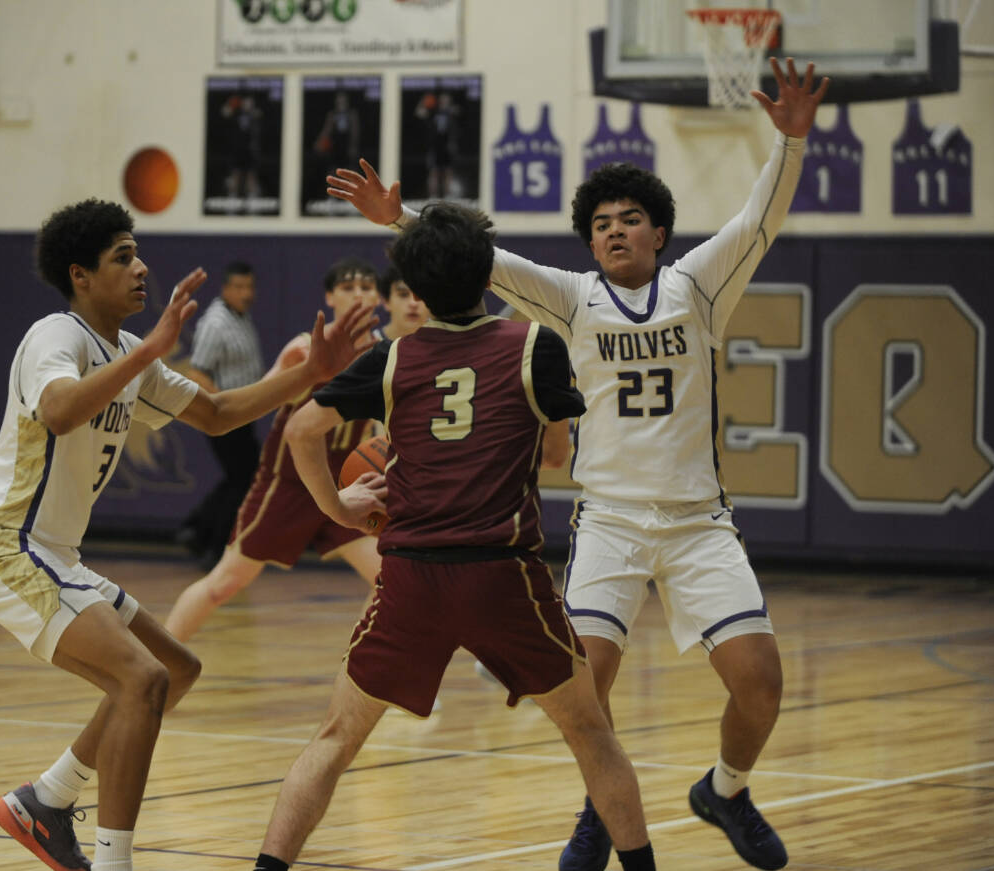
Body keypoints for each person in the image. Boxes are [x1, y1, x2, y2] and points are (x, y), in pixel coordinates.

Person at [325, 57, 829, 871]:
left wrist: (792, 144)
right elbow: (473, 261)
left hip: (700, 524)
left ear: (659, 232)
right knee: (587, 687)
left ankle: (726, 790)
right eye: (601, 222)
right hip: (611, 522)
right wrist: (399, 217)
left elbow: (758, 222)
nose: (615, 229)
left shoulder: (698, 287)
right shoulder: (568, 297)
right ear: (588, 239)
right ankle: (601, 812)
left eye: (631, 218)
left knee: (761, 681)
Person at [0, 198, 373, 871]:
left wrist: (307, 375)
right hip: (8, 548)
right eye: (123, 256)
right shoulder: (53, 337)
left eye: (137, 251)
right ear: (81, 275)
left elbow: (213, 412)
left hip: (58, 555)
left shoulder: (126, 353)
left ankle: (48, 799)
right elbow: (60, 411)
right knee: (142, 679)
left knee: (177, 670)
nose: (142, 265)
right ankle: (113, 861)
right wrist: (150, 349)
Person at [250, 202, 656, 871]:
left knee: (336, 736)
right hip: (503, 573)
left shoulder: (392, 357)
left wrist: (344, 509)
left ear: (414, 287)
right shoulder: (535, 345)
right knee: (590, 730)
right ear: (487, 274)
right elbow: (555, 455)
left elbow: (300, 431)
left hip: (410, 574)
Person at [163, 257, 387, 644]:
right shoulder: (304, 349)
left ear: (379, 298)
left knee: (390, 580)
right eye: (348, 288)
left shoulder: (385, 352)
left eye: (366, 287)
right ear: (330, 297)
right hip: (286, 486)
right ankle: (160, 661)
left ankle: (365, 672)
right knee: (224, 584)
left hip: (343, 487)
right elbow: (257, 399)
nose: (359, 295)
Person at [176, 261, 265, 569]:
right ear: (226, 289)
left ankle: (197, 529)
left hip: (243, 414)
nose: (246, 293)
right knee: (244, 478)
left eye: (250, 286)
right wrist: (220, 409)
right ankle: (213, 546)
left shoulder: (239, 317)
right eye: (239, 287)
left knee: (240, 477)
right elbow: (197, 372)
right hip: (227, 415)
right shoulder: (215, 323)